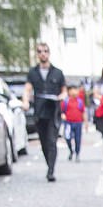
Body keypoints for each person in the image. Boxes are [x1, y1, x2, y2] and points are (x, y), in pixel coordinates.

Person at [22, 42, 66, 182]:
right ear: (37, 54)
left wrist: (61, 97)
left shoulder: (57, 73)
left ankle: (51, 171)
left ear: (49, 53)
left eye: (45, 51)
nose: (43, 53)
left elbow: (64, 91)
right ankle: (49, 165)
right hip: (40, 112)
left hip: (53, 111)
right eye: (40, 51)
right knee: (44, 142)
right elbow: (27, 89)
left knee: (52, 141)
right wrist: (26, 101)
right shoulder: (33, 72)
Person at [61, 84, 87, 162]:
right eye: (72, 90)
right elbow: (62, 111)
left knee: (78, 139)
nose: (74, 92)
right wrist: (63, 115)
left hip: (78, 122)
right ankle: (71, 151)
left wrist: (86, 122)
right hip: (68, 122)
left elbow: (83, 112)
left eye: (75, 90)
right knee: (67, 137)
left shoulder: (80, 101)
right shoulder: (66, 101)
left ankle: (77, 154)